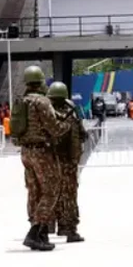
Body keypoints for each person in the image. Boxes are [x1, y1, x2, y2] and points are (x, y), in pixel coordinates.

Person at [16, 65, 70, 251]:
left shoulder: (22, 101)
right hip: (42, 152)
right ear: (40, 82)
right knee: (51, 190)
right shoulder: (42, 102)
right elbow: (55, 129)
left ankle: (40, 233)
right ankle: (34, 232)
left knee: (34, 191)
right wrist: (66, 125)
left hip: (26, 152)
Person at [46, 81, 85, 243]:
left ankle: (47, 226)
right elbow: (81, 134)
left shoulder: (47, 114)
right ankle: (68, 228)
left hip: (50, 161)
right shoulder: (71, 114)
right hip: (68, 161)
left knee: (49, 193)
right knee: (69, 196)